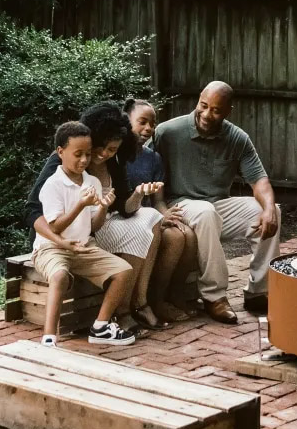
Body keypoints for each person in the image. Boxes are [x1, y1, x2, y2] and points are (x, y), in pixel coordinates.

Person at [25, 103, 167, 331]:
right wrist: (60, 240)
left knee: (151, 217)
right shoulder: (63, 161)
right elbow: (32, 211)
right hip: (65, 235)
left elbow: (124, 208)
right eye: (100, 147)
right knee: (141, 230)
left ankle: (138, 302)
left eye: (111, 149)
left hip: (97, 225)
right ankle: (122, 310)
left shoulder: (113, 160)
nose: (103, 154)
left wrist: (139, 194)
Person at [153, 81, 280, 324]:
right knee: (205, 212)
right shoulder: (168, 132)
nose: (207, 114)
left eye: (216, 110)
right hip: (180, 205)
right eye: (204, 106)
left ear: (228, 111)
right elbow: (146, 169)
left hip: (216, 205)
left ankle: (259, 292)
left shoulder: (237, 138)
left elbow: (260, 181)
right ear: (198, 100)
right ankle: (214, 297)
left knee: (268, 211)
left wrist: (269, 209)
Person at [32, 121, 135, 347]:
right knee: (59, 276)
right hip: (52, 248)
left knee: (124, 271)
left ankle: (100, 326)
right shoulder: (53, 185)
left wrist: (104, 207)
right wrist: (80, 204)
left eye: (87, 154)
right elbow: (55, 227)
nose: (84, 160)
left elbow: (94, 226)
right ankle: (49, 338)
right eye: (77, 154)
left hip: (83, 247)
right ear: (61, 152)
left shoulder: (92, 182)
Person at [125, 98, 198, 322]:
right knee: (175, 239)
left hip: (151, 217)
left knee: (187, 234)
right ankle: (154, 301)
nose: (148, 128)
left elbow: (158, 200)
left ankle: (169, 295)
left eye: (152, 123)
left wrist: (165, 214)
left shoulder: (153, 158)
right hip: (128, 217)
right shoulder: (118, 154)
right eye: (142, 122)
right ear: (127, 121)